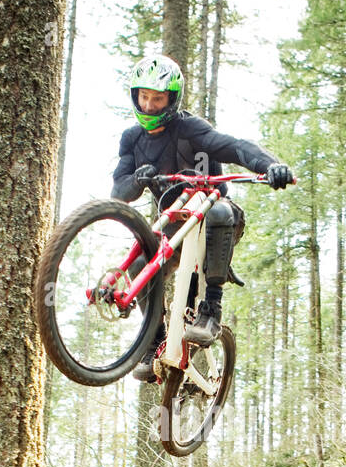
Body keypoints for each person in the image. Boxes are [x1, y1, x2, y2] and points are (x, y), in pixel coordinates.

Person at [111, 53, 294, 381]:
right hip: (175, 226)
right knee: (140, 264)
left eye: (158, 99)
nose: (150, 106)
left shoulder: (189, 128)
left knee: (219, 211)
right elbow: (119, 193)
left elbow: (235, 147)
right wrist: (138, 179)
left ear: (172, 99)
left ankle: (211, 310)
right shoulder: (132, 139)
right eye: (144, 98)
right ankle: (154, 342)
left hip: (216, 219)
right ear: (135, 96)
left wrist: (270, 166)